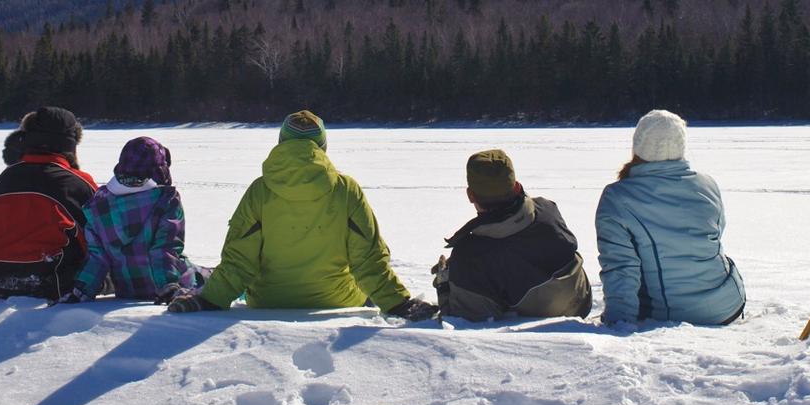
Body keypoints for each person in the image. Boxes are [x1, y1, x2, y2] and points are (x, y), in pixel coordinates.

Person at [168, 111, 436, 320]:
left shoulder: (260, 191)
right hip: (338, 301)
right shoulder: (346, 190)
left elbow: (239, 261)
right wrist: (399, 303)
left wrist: (209, 299)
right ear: (322, 146)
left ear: (282, 142)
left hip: (269, 302)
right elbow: (368, 260)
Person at [595, 109, 744, 325]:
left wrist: (618, 324)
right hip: (728, 304)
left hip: (671, 314)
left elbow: (620, 268)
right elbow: (714, 237)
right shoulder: (707, 185)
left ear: (637, 145)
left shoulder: (617, 197)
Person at [432, 149, 591, 320]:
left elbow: (469, 322)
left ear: (470, 195)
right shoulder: (547, 209)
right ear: (516, 186)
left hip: (538, 326)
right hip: (581, 303)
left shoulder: (471, 254)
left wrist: (445, 287)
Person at [0, 107, 99, 300]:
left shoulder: (2, 181)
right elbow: (99, 237)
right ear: (70, 146)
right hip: (53, 282)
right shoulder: (78, 184)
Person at [65, 136, 210, 303]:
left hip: (128, 289)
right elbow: (165, 249)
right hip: (171, 284)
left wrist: (80, 291)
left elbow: (97, 257)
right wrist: (168, 287)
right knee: (213, 277)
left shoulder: (97, 205)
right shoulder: (165, 200)